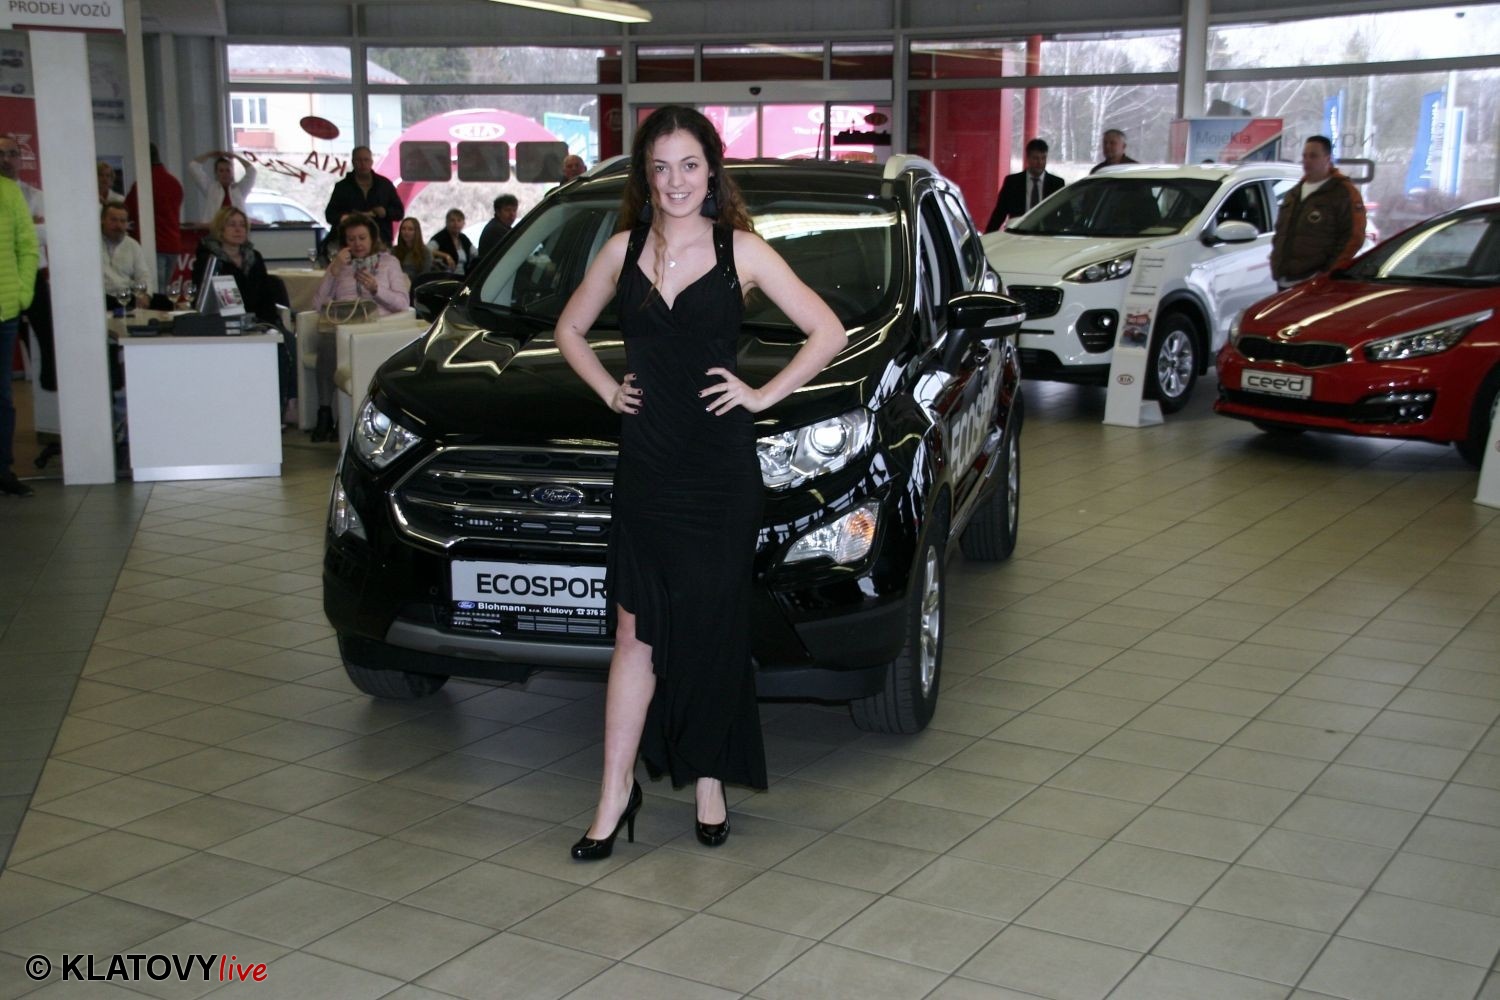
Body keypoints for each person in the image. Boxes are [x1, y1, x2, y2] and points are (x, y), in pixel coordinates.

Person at [553, 105, 845, 860]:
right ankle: (615, 793)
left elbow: (828, 331)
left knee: (712, 627)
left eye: (689, 165)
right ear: (645, 176)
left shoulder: (741, 250)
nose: (675, 181)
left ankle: (709, 781)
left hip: (718, 467)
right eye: (661, 167)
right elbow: (568, 330)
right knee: (632, 633)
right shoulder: (622, 249)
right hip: (648, 462)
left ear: (711, 170)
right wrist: (607, 390)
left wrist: (762, 395)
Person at [309, 212, 409, 441]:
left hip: (376, 330)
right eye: (351, 239)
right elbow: (316, 305)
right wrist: (333, 272)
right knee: (327, 344)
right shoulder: (340, 265)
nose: (357, 244)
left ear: (372, 238)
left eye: (362, 238)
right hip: (343, 329)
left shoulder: (389, 263)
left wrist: (376, 290)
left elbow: (403, 303)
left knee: (337, 345)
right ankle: (325, 412)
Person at [192, 206, 294, 410]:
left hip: (260, 320)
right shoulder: (208, 259)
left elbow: (266, 294)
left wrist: (266, 324)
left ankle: (284, 405)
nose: (238, 230)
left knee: (287, 343)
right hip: (224, 323)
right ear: (220, 229)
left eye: (242, 225)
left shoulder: (254, 256)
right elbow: (205, 297)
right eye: (232, 225)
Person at [1269, 135, 1367, 290]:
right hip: (1284, 280)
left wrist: (1327, 273)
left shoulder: (1342, 193)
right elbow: (1281, 232)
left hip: (1315, 283)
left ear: (1327, 158)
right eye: (1304, 156)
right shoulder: (1294, 193)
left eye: (1313, 156)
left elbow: (1353, 237)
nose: (1307, 161)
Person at [0, 170, 38, 497]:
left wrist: (22, 294)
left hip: (5, 309)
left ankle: (2, 470)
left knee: (3, 397)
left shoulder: (9, 192)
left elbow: (27, 246)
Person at [124, 143, 185, 290]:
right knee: (164, 289)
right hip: (172, 244)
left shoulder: (143, 184)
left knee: (153, 290)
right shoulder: (174, 183)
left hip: (152, 245)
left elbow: (128, 211)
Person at [323, 146, 404, 247]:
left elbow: (399, 212)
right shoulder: (342, 187)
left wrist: (386, 212)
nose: (363, 164)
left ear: (371, 162)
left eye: (366, 160)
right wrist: (344, 218)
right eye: (359, 160)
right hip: (351, 243)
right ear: (353, 162)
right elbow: (330, 214)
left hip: (380, 242)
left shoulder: (385, 185)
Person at [985, 137, 1065, 233]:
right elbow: (999, 213)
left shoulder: (1057, 184)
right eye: (1035, 158)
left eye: (1043, 158)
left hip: (1047, 236)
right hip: (1018, 234)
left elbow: (1067, 216)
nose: (1040, 162)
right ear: (1027, 158)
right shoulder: (1012, 182)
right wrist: (986, 237)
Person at [100, 203, 153, 309]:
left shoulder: (132, 245)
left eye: (123, 221)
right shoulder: (91, 244)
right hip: (101, 299)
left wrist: (145, 295)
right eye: (113, 220)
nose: (118, 225)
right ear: (102, 220)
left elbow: (143, 275)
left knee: (165, 304)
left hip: (127, 298)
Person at [187, 150, 257, 219]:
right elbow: (193, 166)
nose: (225, 174)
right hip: (214, 226)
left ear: (232, 173)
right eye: (221, 171)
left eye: (228, 170)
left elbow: (252, 171)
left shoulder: (240, 189)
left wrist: (235, 156)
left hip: (235, 225)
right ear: (216, 173)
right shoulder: (210, 188)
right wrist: (209, 154)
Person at [428, 208, 476, 275]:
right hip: (445, 277)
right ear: (447, 222)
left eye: (459, 220)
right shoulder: (440, 237)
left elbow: (475, 253)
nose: (456, 223)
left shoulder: (463, 238)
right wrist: (446, 256)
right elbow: (427, 250)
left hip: (464, 276)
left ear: (463, 223)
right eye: (452, 220)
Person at [392, 217, 437, 281]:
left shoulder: (425, 253)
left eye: (410, 229)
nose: (406, 232)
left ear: (417, 232)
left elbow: (424, 277)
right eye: (403, 229)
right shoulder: (394, 251)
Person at [477, 193, 518, 260]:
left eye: (514, 210)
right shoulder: (496, 230)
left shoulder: (504, 227)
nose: (512, 214)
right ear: (498, 212)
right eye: (507, 210)